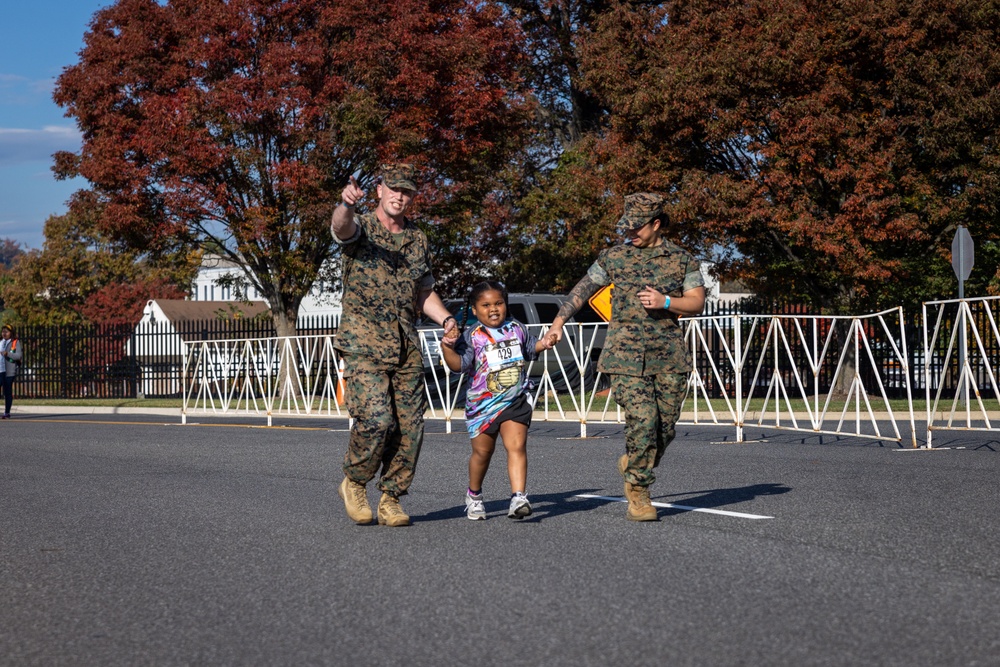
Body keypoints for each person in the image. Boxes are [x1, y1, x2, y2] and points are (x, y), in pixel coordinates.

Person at [547, 193, 706, 521]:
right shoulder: (614, 256)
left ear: (657, 224)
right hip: (624, 355)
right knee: (643, 421)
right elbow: (582, 289)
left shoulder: (682, 260)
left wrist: (665, 302)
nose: (630, 232)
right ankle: (639, 492)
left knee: (665, 428)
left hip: (668, 355)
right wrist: (559, 320)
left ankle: (636, 460)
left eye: (637, 227)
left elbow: (696, 302)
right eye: (626, 226)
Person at [330, 164, 458, 527]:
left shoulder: (417, 238)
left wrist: (446, 319)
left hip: (405, 344)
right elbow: (341, 229)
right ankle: (354, 482)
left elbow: (424, 290)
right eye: (394, 188)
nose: (400, 196)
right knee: (375, 419)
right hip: (363, 342)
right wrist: (345, 204)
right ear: (380, 190)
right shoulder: (362, 227)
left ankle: (391, 498)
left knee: (411, 428)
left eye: (407, 191)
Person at [439, 281, 556, 520]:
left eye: (499, 303)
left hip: (515, 400)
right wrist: (448, 347)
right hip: (483, 406)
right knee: (483, 453)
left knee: (516, 446)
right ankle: (474, 496)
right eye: (486, 305)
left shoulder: (517, 328)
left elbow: (530, 347)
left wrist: (546, 343)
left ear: (506, 304)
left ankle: (519, 497)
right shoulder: (473, 336)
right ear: (474, 310)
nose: (493, 309)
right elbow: (458, 365)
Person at [0, 324, 22, 419]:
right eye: (3, 331)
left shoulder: (15, 342)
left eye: (7, 331)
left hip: (9, 371)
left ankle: (7, 412)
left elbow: (18, 356)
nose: (4, 333)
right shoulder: (0, 342)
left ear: (11, 333)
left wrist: (7, 353)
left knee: (7, 392)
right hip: (0, 370)